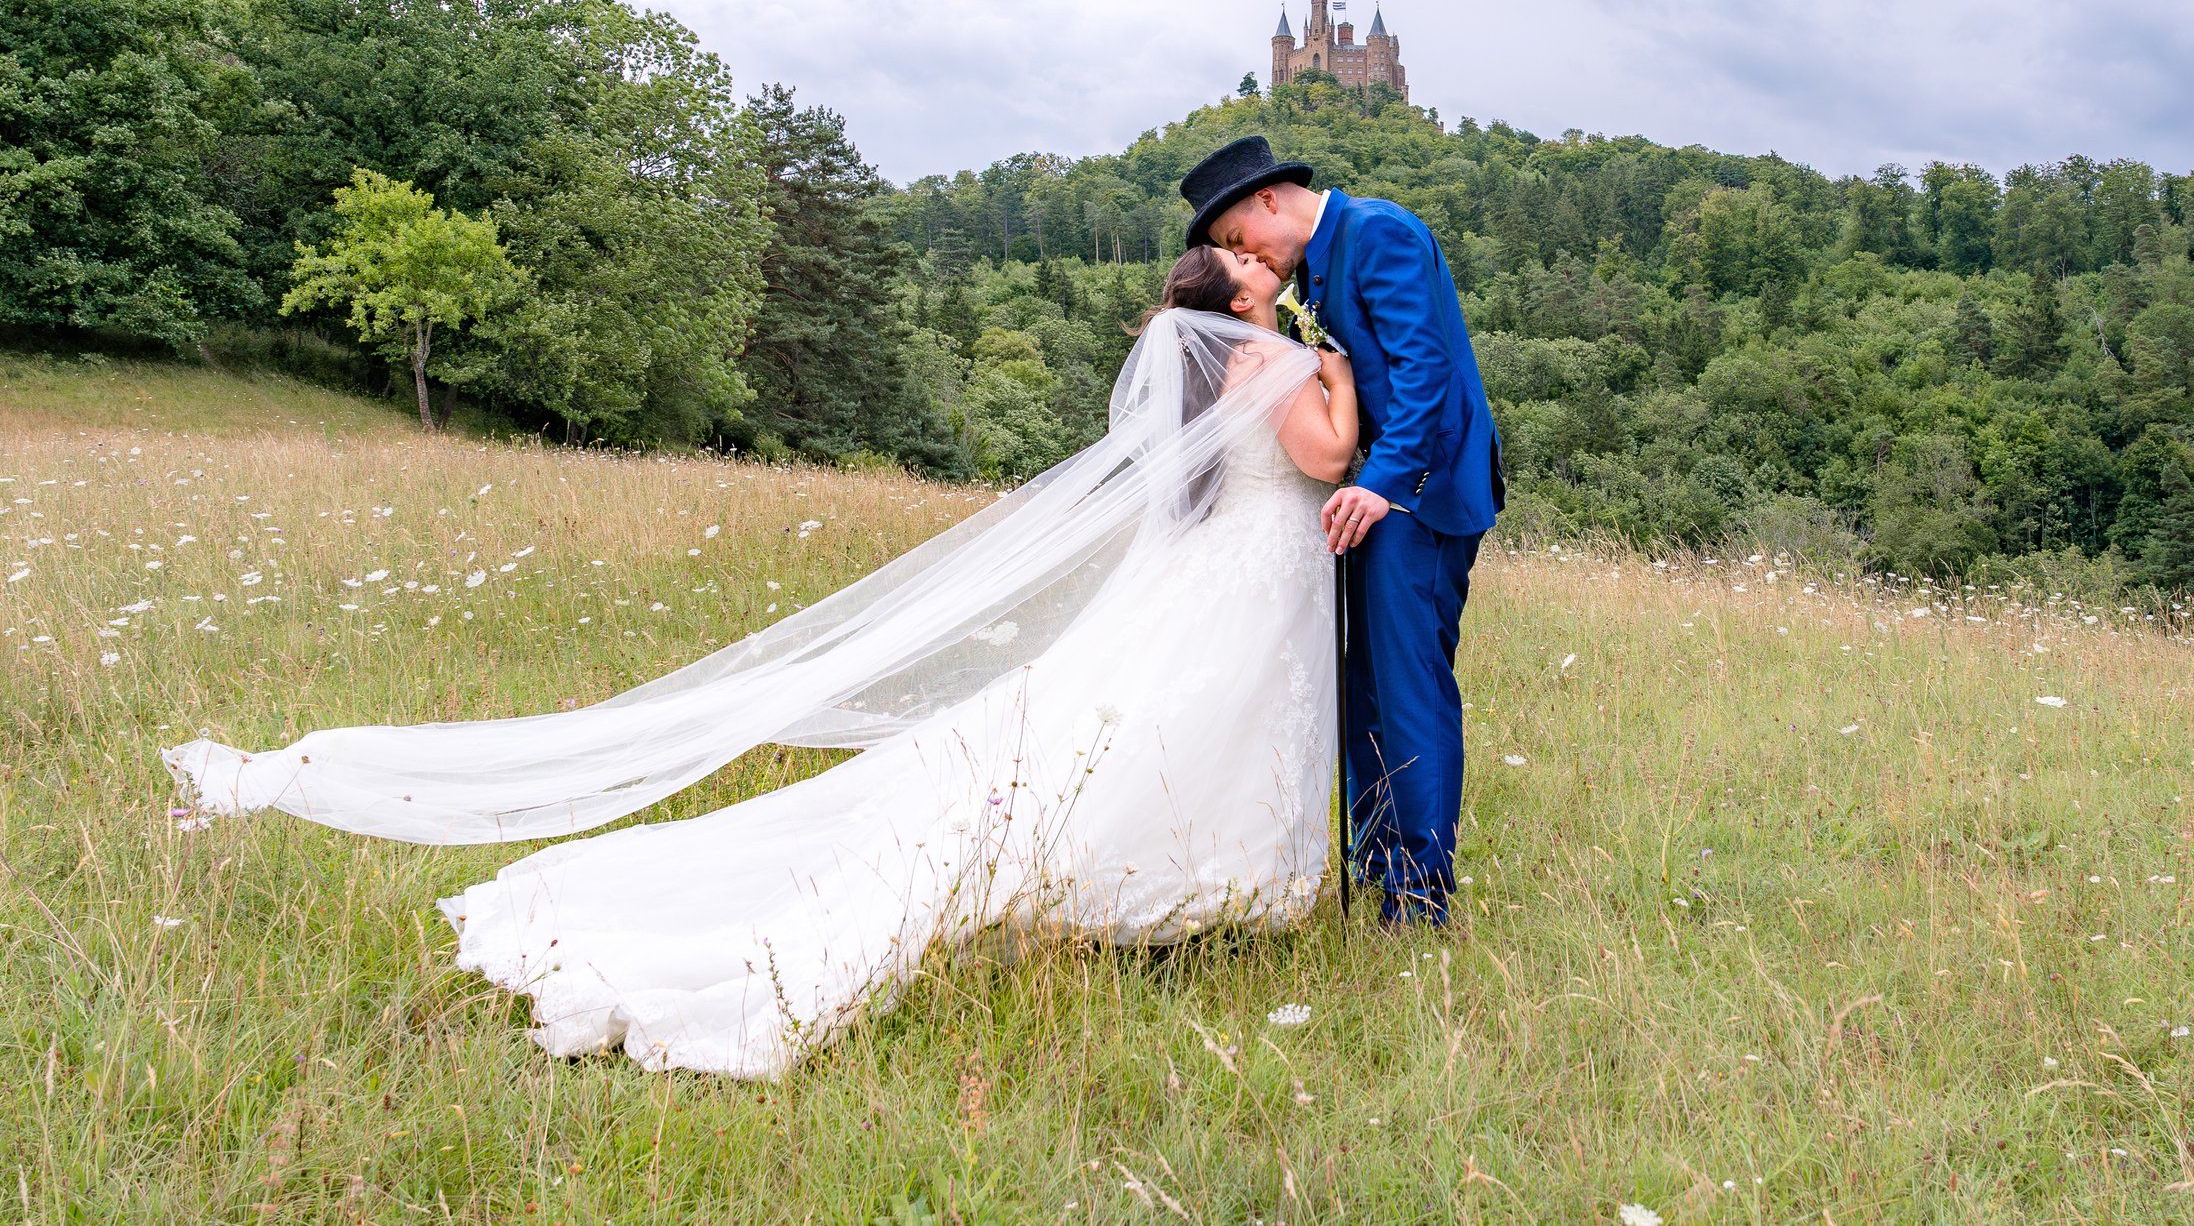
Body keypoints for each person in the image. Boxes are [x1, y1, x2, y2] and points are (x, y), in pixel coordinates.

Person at [164, 248, 1358, 1079]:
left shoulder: (1195, 371)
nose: (1269, 276)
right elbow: (1325, 453)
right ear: (1236, 298)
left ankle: (1160, 895)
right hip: (1258, 572)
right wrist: (1340, 372)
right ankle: (1185, 897)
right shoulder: (1279, 367)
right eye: (1255, 270)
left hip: (1215, 567)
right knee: (1210, 714)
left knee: (1158, 709)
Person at [1182, 136, 1502, 928]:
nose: (1243, 256)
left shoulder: (1380, 231)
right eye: (1229, 254)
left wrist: (1382, 488)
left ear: (1266, 201)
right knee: (1364, 690)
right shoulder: (1319, 265)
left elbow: (1425, 372)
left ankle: (1420, 897)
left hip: (1418, 498)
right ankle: (1377, 867)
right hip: (1368, 501)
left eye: (1234, 240)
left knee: (1408, 691)